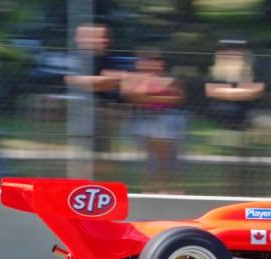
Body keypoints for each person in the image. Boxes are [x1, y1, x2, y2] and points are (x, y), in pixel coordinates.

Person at [64, 23, 124, 178]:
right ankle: (85, 183)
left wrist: (82, 81)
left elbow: (111, 81)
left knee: (100, 152)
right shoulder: (78, 59)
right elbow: (68, 80)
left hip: (101, 109)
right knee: (83, 152)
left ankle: (97, 184)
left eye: (104, 37)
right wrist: (95, 82)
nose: (103, 40)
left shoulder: (109, 59)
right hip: (82, 110)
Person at [121, 50, 185, 192]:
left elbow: (177, 98)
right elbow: (133, 97)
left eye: (157, 60)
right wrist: (157, 95)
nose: (153, 64)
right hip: (142, 119)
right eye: (147, 60)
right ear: (138, 63)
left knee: (167, 159)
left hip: (166, 119)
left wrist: (148, 96)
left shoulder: (170, 78)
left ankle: (167, 189)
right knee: (151, 159)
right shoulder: (131, 77)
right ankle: (150, 189)